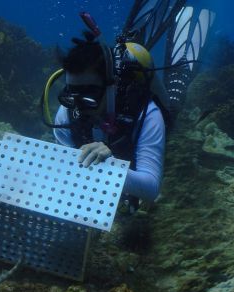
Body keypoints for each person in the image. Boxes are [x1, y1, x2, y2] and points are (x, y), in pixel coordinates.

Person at [52, 31, 167, 214]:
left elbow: (151, 188)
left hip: (134, 148)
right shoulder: (66, 113)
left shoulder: (147, 114)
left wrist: (109, 166)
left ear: (111, 86)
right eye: (72, 93)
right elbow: (66, 170)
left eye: (89, 94)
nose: (80, 105)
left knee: (174, 107)